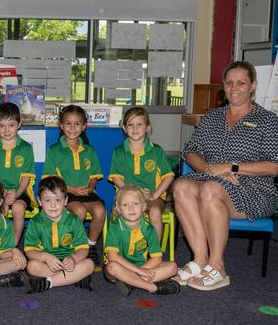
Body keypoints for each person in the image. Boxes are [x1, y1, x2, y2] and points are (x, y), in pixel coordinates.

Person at [173, 61, 278, 291]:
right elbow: (190, 151)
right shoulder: (212, 118)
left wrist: (231, 167)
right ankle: (200, 260)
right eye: (229, 83)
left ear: (253, 86)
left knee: (211, 188)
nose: (234, 88)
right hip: (211, 180)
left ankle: (217, 266)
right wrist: (208, 168)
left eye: (241, 83)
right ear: (224, 86)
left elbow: (274, 166)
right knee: (181, 186)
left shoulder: (268, 121)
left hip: (254, 191)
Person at [42, 105, 105, 267]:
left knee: (100, 210)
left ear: (84, 126)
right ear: (61, 126)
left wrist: (91, 186)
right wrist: (72, 189)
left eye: (77, 124)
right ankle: (72, 248)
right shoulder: (55, 150)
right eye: (68, 124)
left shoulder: (89, 150)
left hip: (87, 193)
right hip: (65, 194)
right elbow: (51, 180)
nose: (72, 128)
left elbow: (94, 176)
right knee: (79, 211)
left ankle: (90, 246)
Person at [109, 107, 174, 242]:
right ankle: (125, 251)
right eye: (130, 125)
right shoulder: (119, 151)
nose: (135, 128)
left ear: (148, 127)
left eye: (139, 124)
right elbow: (116, 177)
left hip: (152, 198)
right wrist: (132, 193)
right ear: (124, 128)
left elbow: (168, 176)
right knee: (125, 211)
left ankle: (154, 254)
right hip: (127, 196)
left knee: (155, 212)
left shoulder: (156, 151)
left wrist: (155, 194)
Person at [104, 185, 179, 297]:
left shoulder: (149, 229)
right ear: (119, 209)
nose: (131, 208)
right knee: (111, 267)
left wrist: (141, 270)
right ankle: (152, 287)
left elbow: (157, 258)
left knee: (173, 267)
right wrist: (139, 271)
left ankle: (131, 283)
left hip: (143, 267)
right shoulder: (115, 227)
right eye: (125, 205)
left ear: (143, 206)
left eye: (136, 204)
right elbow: (113, 257)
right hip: (120, 268)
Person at [25, 176, 94, 293]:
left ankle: (49, 283)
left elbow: (83, 249)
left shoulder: (74, 220)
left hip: (70, 261)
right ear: (40, 201)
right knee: (31, 266)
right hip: (48, 263)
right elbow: (29, 251)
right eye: (47, 200)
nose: (53, 205)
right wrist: (46, 257)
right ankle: (73, 278)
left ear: (66, 200)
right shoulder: (36, 222)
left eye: (58, 200)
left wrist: (73, 259)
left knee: (89, 265)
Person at [0, 102, 35, 246]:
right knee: (0, 209)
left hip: (20, 192)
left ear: (19, 124)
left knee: (18, 208)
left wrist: (16, 194)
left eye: (11, 125)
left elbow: (26, 177)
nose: (6, 130)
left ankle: (13, 246)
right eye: (2, 126)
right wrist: (4, 194)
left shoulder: (26, 148)